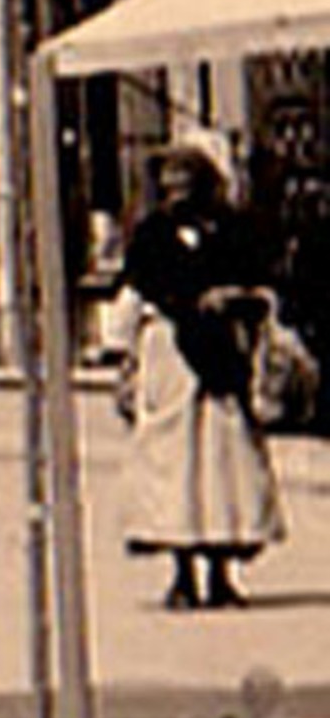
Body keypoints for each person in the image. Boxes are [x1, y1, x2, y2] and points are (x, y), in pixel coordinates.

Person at [120, 146, 285, 609]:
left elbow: (261, 287)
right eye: (170, 185)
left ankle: (222, 571)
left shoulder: (232, 232)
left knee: (223, 467)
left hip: (221, 361)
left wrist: (234, 299)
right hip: (172, 358)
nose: (178, 194)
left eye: (186, 183)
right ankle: (183, 573)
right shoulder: (152, 237)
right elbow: (136, 294)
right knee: (175, 467)